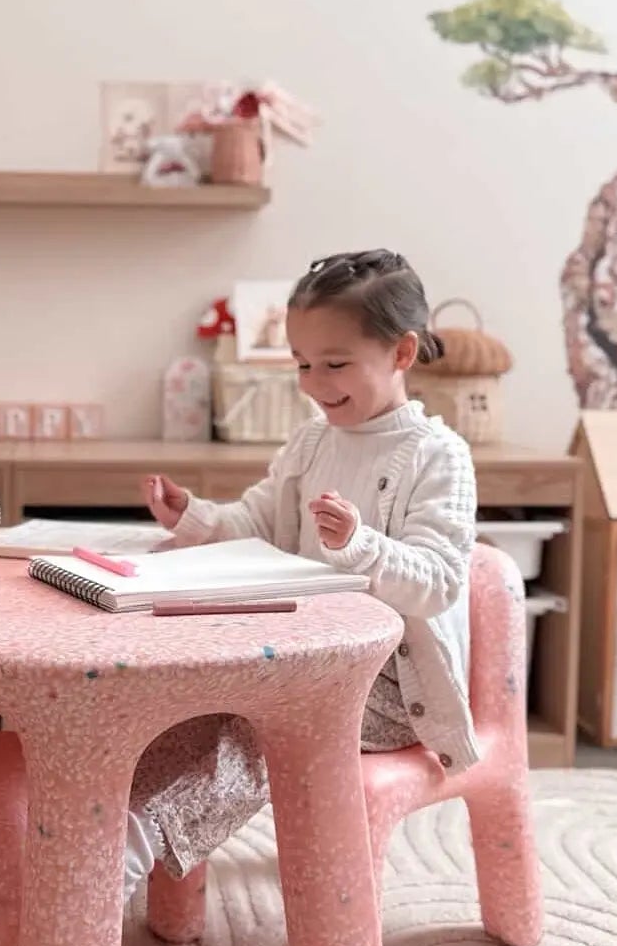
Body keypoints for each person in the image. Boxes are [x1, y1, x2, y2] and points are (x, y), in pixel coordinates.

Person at [123, 248, 480, 897]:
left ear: (402, 354)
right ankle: (122, 822)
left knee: (268, 720)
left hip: (387, 685)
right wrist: (195, 517)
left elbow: (439, 582)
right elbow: (260, 522)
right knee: (187, 694)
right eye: (303, 364)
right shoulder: (314, 441)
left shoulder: (437, 456)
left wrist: (361, 544)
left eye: (336, 364)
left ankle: (138, 842)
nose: (315, 382)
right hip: (292, 655)